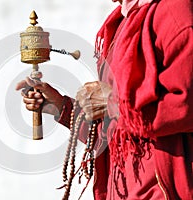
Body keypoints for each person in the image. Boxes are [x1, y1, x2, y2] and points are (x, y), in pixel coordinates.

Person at [16, 0, 193, 199]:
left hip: (162, 191)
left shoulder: (174, 11)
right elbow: (116, 130)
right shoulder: (121, 23)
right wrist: (61, 107)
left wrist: (114, 102)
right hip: (120, 191)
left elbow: (186, 106)